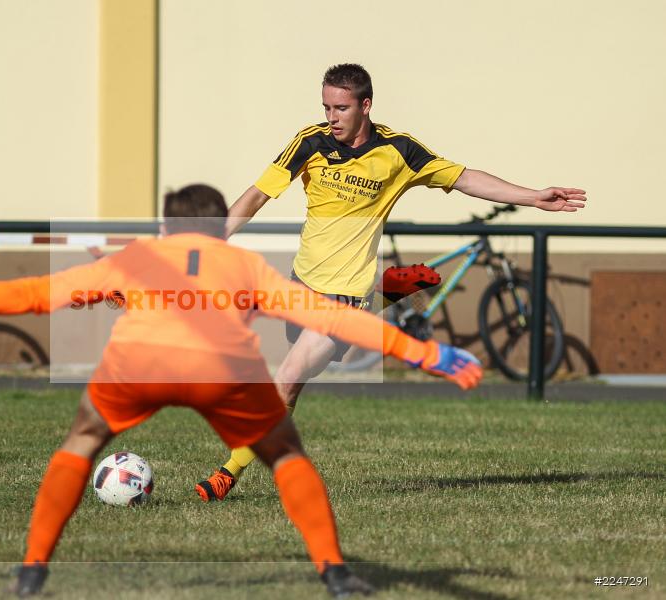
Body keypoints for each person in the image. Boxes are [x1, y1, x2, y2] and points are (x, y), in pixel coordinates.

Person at [0, 184, 482, 598]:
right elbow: (335, 318)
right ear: (220, 227)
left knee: (82, 439)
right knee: (286, 455)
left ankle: (32, 569)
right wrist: (426, 352)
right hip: (223, 374)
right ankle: (334, 571)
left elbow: (37, 294)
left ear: (167, 227)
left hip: (137, 367)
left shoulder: (137, 258)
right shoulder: (245, 265)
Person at [195, 63, 586, 502]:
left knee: (285, 380)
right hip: (301, 284)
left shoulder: (399, 150)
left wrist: (532, 196)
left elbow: (464, 178)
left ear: (365, 106)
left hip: (342, 296)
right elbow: (256, 195)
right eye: (326, 106)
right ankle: (388, 293)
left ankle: (227, 473)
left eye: (341, 107)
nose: (331, 117)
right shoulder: (310, 141)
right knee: (282, 372)